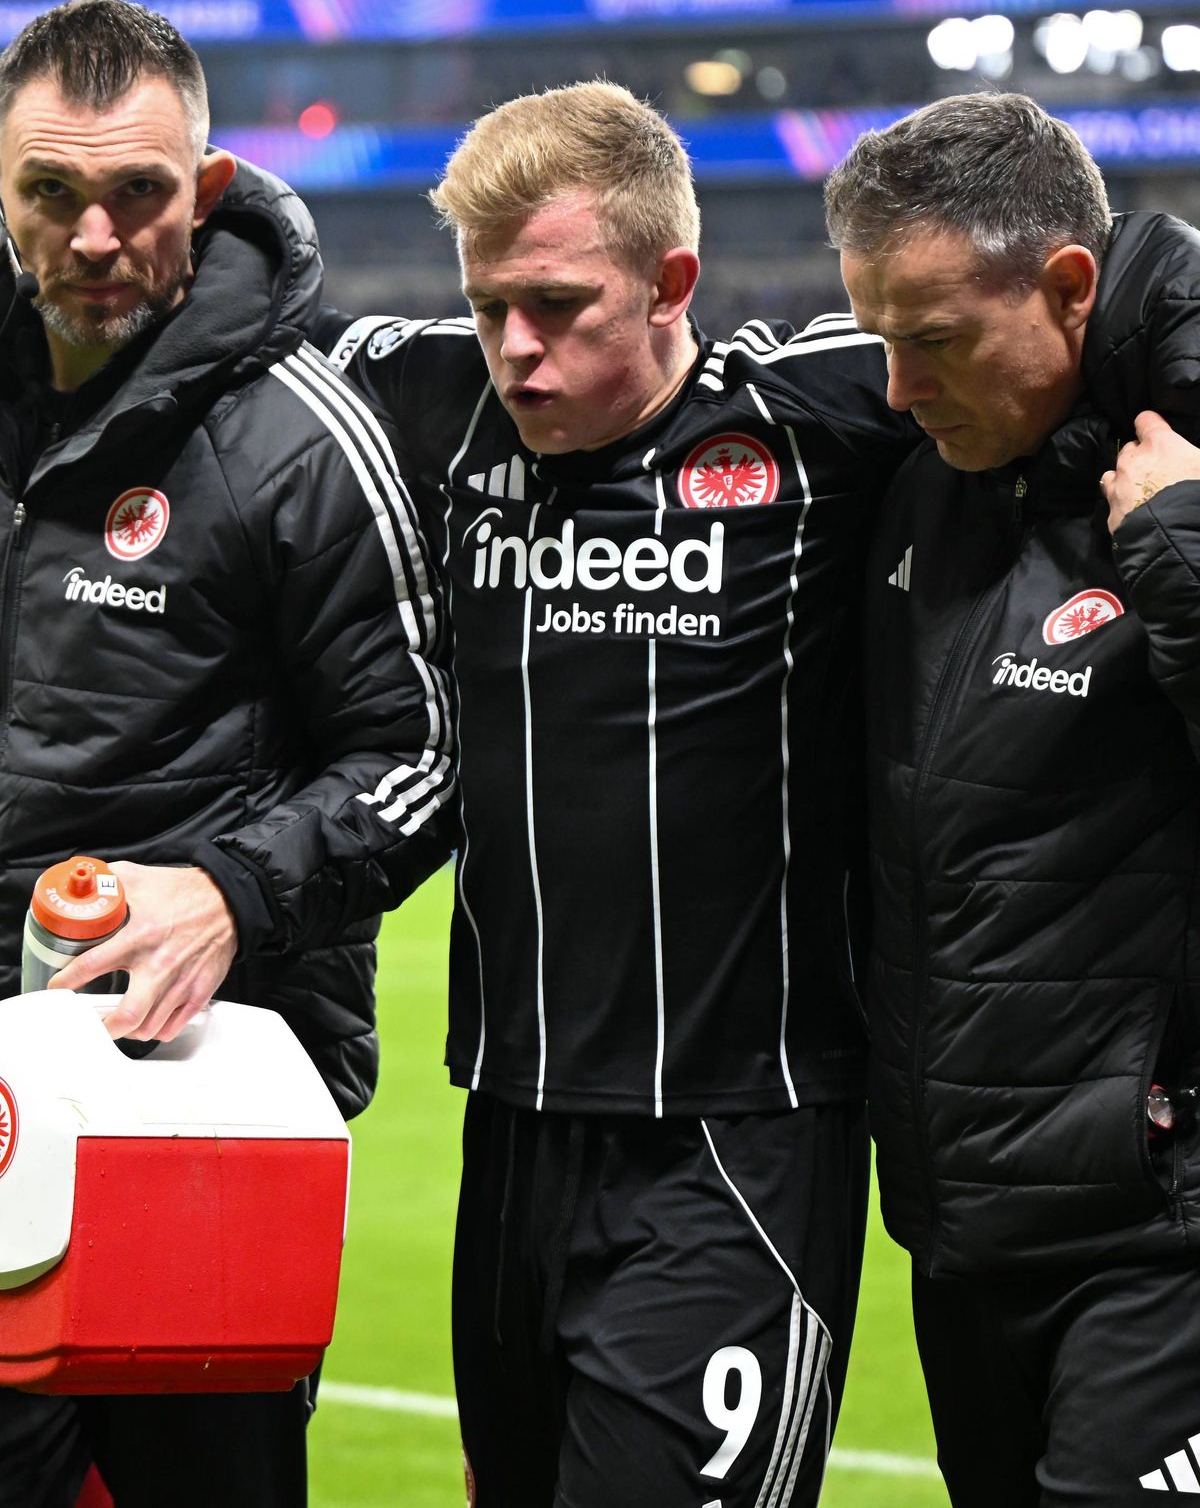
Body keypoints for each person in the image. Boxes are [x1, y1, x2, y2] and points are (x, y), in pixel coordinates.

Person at [317, 79, 918, 1508]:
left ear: (671, 283)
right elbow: (236, 342)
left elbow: (1061, 315)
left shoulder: (818, 415)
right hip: (513, 1125)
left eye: (559, 306)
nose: (515, 350)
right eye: (488, 307)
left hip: (741, 1134)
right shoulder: (431, 400)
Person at [0, 0, 455, 1508]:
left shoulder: (301, 437)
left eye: (138, 192)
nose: (95, 236)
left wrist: (229, 894)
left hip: (188, 1118)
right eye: (50, 192)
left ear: (204, 189)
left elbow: (425, 754)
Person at [824, 91, 1200, 1507]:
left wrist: (1183, 560)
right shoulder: (927, 486)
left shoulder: (1178, 495)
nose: (897, 388)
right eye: (878, 338)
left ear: (1070, 286)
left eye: (934, 339)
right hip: (964, 1233)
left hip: (1160, 1236)